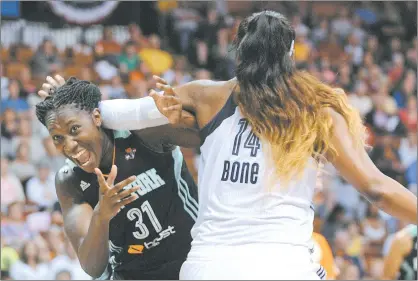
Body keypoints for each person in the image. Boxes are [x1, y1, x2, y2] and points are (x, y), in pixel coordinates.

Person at [41, 11, 417, 279]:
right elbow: (376, 189)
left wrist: (66, 102)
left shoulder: (207, 98)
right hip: (281, 264)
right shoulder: (316, 108)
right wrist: (70, 109)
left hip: (204, 266)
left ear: (236, 53)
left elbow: (117, 113)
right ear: (291, 56)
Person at [35, 76, 200, 280]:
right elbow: (92, 267)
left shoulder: (142, 133)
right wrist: (101, 215)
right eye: (58, 138)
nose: (68, 146)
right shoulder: (69, 180)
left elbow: (201, 134)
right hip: (132, 273)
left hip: (193, 256)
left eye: (74, 129)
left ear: (97, 117)